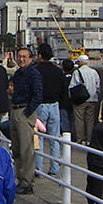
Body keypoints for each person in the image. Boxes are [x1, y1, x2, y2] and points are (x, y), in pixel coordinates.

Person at [8, 48, 42, 195]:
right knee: (16, 147)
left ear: (30, 59)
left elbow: (38, 96)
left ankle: (27, 183)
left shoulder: (34, 74)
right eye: (19, 56)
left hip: (25, 111)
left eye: (24, 57)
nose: (21, 59)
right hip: (14, 109)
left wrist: (27, 113)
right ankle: (20, 179)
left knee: (26, 149)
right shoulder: (18, 73)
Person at [34, 43, 68, 176]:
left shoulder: (36, 70)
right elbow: (64, 90)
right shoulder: (58, 71)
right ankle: (54, 168)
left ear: (40, 55)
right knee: (54, 138)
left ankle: (39, 168)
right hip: (55, 105)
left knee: (39, 138)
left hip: (40, 105)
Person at [69, 55, 100, 145]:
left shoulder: (77, 72)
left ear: (81, 62)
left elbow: (72, 87)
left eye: (78, 62)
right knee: (90, 121)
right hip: (93, 99)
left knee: (79, 120)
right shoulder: (94, 72)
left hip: (80, 100)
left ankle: (81, 139)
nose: (78, 64)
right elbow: (98, 87)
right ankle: (89, 140)